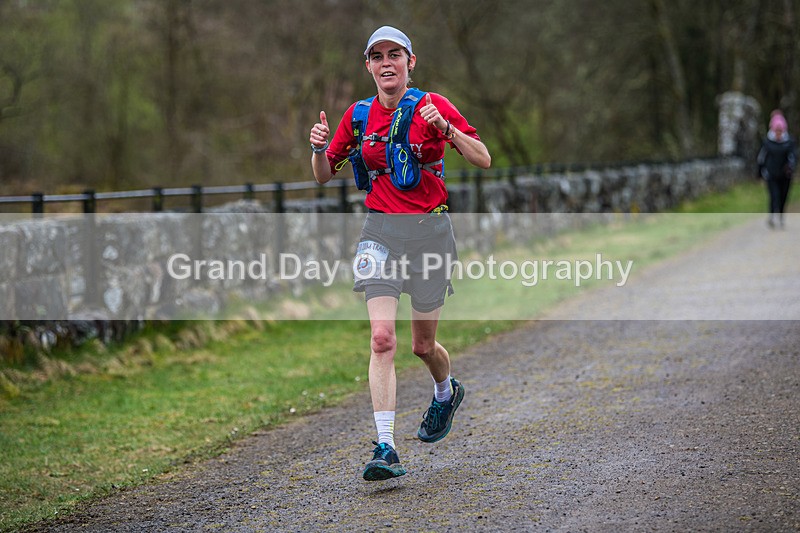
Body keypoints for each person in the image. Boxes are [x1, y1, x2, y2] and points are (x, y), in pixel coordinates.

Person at [309, 26, 491, 481]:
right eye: (377, 56)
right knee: (382, 339)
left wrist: (446, 129)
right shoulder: (357, 115)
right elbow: (323, 175)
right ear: (367, 65)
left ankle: (445, 392)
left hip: (431, 233)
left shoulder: (433, 104)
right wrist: (316, 149)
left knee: (422, 345)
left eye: (395, 55)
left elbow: (482, 158)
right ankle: (386, 447)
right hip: (380, 232)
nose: (386, 63)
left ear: (411, 62)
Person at [757, 110, 796, 228]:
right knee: (774, 196)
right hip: (771, 174)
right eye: (776, 130)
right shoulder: (767, 142)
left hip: (785, 175)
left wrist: (790, 167)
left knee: (783, 196)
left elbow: (793, 157)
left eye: (780, 130)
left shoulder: (789, 142)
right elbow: (761, 158)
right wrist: (760, 173)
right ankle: (772, 217)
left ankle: (781, 216)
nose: (778, 132)